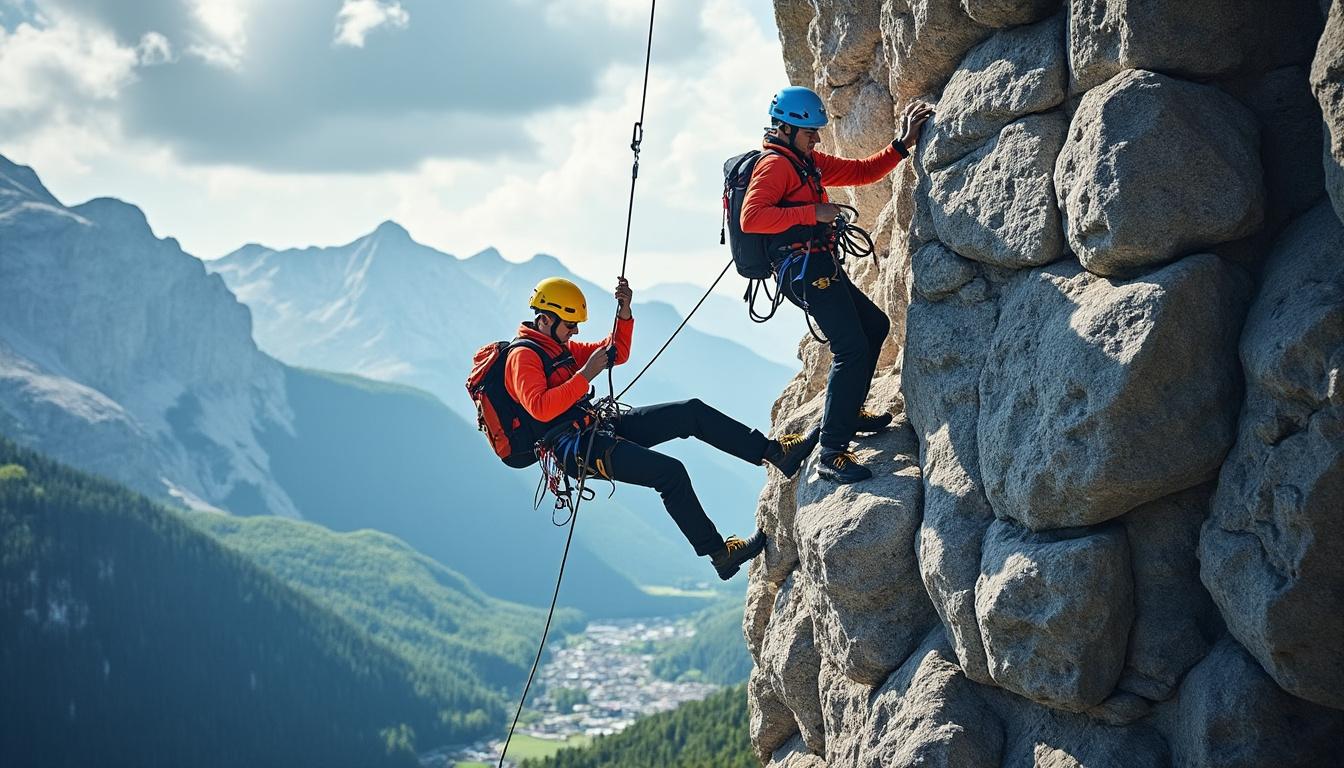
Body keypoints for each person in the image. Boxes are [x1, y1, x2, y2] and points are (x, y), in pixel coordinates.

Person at [504, 276, 820, 580]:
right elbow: (540, 407)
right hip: (576, 451)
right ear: (545, 319)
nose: (573, 331)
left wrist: (624, 313)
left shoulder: (559, 349)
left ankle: (775, 453)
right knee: (670, 474)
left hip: (596, 429)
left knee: (690, 413)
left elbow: (617, 353)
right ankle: (720, 555)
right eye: (569, 324)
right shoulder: (523, 357)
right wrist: (585, 375)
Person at [741, 86, 933, 484]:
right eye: (810, 133)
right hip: (804, 269)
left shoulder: (805, 161)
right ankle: (832, 451)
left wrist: (902, 144)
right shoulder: (776, 166)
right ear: (788, 128)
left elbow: (860, 172)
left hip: (817, 263)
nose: (817, 139)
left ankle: (849, 410)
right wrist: (814, 212)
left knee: (874, 326)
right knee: (851, 346)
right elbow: (752, 218)